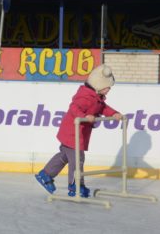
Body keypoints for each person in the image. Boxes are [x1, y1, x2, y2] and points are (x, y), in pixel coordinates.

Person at [35, 64, 122, 197]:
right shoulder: (85, 97)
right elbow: (74, 108)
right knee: (77, 159)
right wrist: (85, 116)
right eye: (107, 87)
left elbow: (103, 108)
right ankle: (75, 185)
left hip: (75, 133)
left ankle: (45, 174)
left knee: (64, 156)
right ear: (98, 85)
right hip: (72, 133)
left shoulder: (96, 98)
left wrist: (114, 113)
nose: (108, 90)